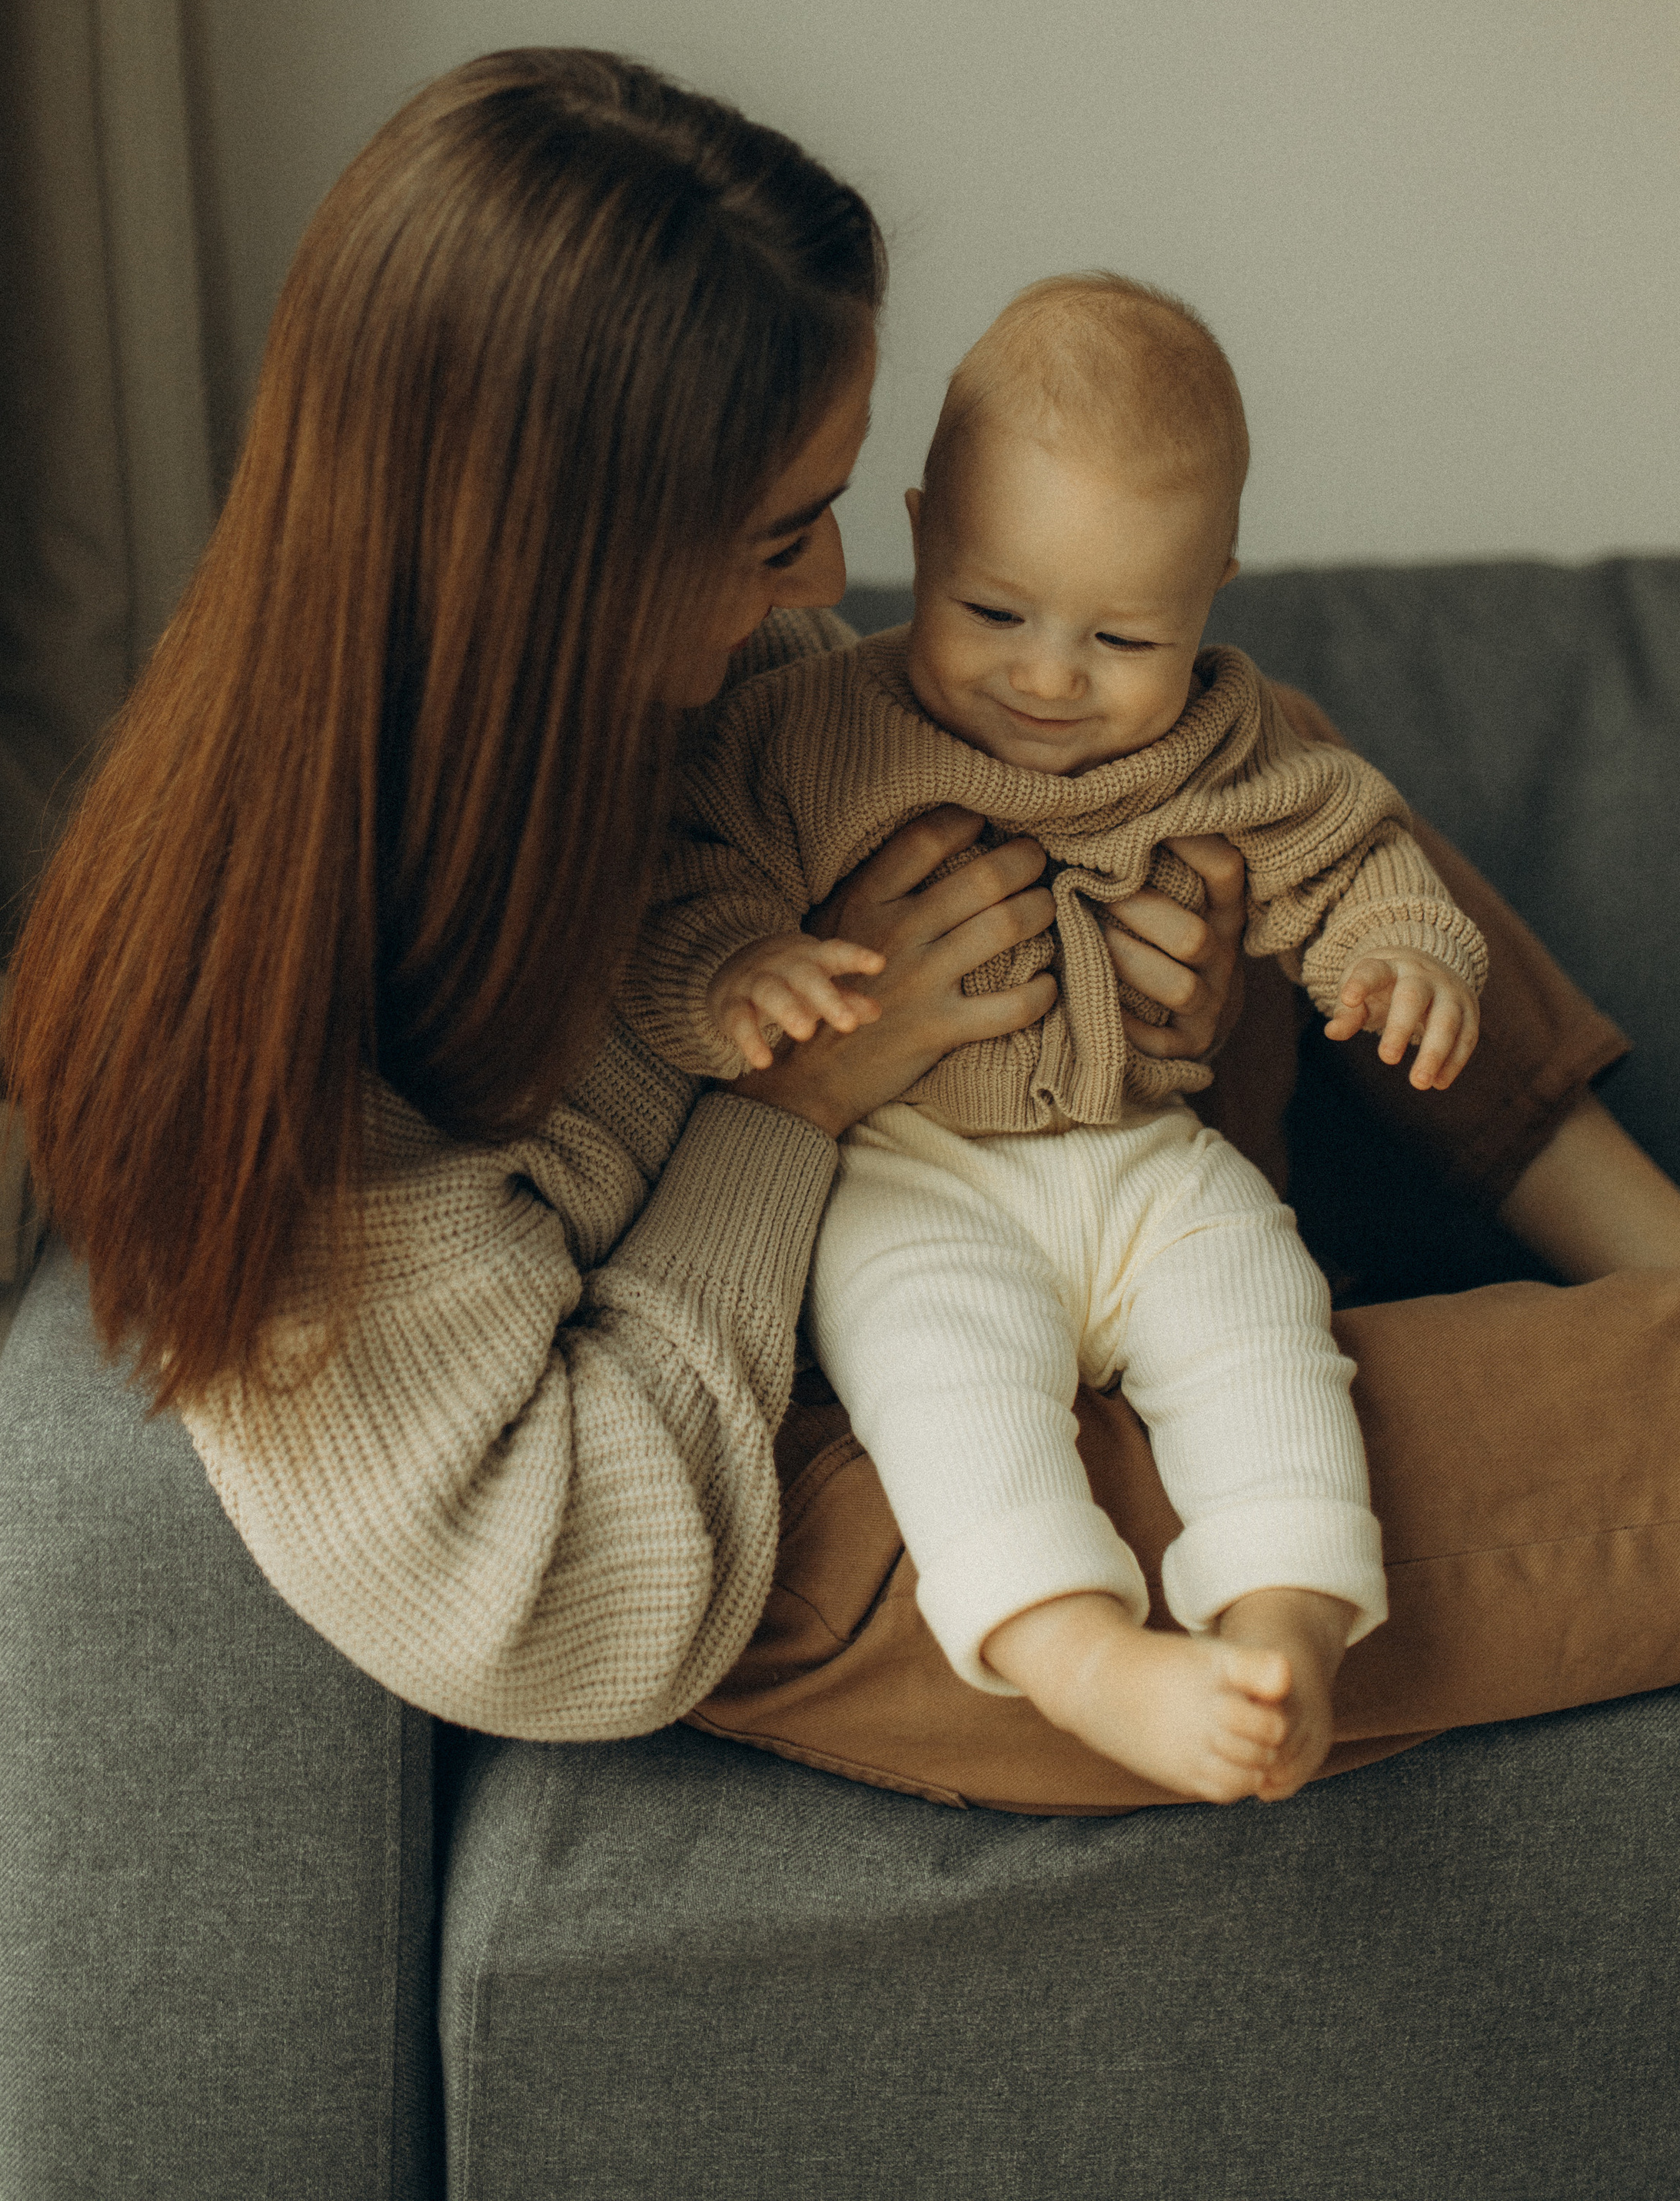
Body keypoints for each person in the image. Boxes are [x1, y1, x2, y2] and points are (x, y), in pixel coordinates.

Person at [0, 48, 1680, 1807]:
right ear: (555, 565)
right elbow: (554, 1605)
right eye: (779, 534)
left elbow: (995, 921)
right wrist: (799, 1099)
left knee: (1236, 740)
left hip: (1080, 1195)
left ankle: (1663, 1246)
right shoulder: (289, 1052)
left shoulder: (699, 686)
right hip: (846, 1463)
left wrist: (1169, 1000)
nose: (829, 591)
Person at [623, 272, 1489, 1801]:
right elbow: (698, 871)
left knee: (1265, 1335)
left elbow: (1346, 848)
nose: (1047, 677)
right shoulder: (813, 729)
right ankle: (1081, 1657)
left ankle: (1282, 1623)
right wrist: (741, 971)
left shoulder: (1223, 736)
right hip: (914, 1173)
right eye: (993, 612)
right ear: (919, 537)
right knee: (942, 1392)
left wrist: (1407, 954)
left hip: (1150, 1158)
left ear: (1212, 593)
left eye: (1123, 636)